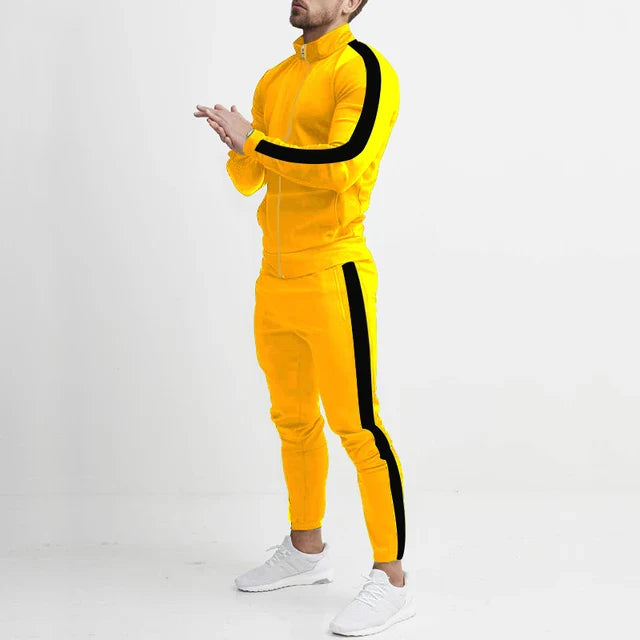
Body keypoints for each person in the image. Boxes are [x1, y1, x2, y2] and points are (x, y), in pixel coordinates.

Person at [194, 0, 415, 635]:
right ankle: (305, 549)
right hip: (275, 275)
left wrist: (257, 141)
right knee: (292, 421)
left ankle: (392, 580)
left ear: (350, 3)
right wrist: (239, 146)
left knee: (358, 425)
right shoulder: (276, 77)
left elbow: (343, 163)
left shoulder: (363, 69)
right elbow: (250, 180)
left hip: (333, 271)